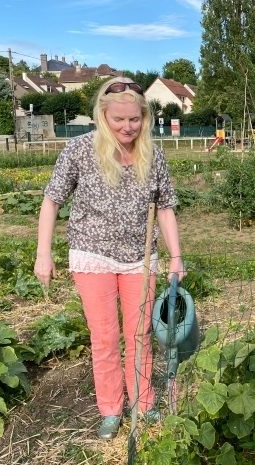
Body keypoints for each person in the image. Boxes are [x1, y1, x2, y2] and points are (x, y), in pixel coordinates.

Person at [34, 77, 185, 440]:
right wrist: (43, 253)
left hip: (139, 258)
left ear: (144, 117)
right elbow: (52, 200)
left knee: (141, 334)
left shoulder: (153, 154)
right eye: (118, 120)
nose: (127, 127)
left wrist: (176, 256)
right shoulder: (79, 150)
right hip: (92, 256)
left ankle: (144, 403)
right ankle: (111, 410)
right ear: (103, 115)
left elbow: (165, 208)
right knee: (104, 337)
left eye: (134, 119)